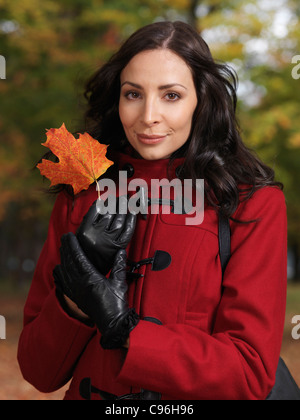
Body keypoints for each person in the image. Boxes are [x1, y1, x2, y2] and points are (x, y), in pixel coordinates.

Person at [18, 21, 287, 400]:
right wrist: (74, 300)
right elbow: (38, 372)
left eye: (171, 96)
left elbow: (250, 374)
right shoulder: (81, 192)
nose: (148, 116)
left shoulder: (251, 203)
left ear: (202, 100)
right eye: (133, 94)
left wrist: (124, 328)